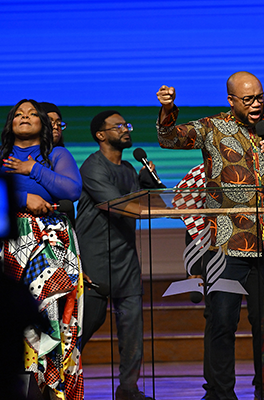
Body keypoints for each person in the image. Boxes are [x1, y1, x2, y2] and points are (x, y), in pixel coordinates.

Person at [156, 71, 264, 400]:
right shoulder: (212, 127)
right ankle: (221, 395)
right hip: (228, 243)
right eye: (248, 100)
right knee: (223, 321)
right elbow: (169, 138)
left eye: (261, 97)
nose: (257, 105)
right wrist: (168, 109)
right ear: (231, 100)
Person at [0, 99, 84, 399]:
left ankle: (51, 389)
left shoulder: (56, 154)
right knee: (13, 317)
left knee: (51, 318)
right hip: (10, 243)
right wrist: (26, 199)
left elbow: (71, 190)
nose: (24, 117)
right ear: (10, 123)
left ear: (43, 124)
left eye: (31, 114)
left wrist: (31, 168)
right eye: (18, 114)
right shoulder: (1, 155)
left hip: (51, 244)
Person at [76, 110, 159, 400]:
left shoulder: (127, 169)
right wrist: (163, 213)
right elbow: (119, 205)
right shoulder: (92, 167)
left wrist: (150, 184)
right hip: (95, 264)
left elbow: (143, 202)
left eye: (127, 125)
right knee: (80, 333)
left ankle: (128, 389)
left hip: (125, 263)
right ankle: (57, 384)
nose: (126, 129)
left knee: (132, 332)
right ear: (100, 135)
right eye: (119, 126)